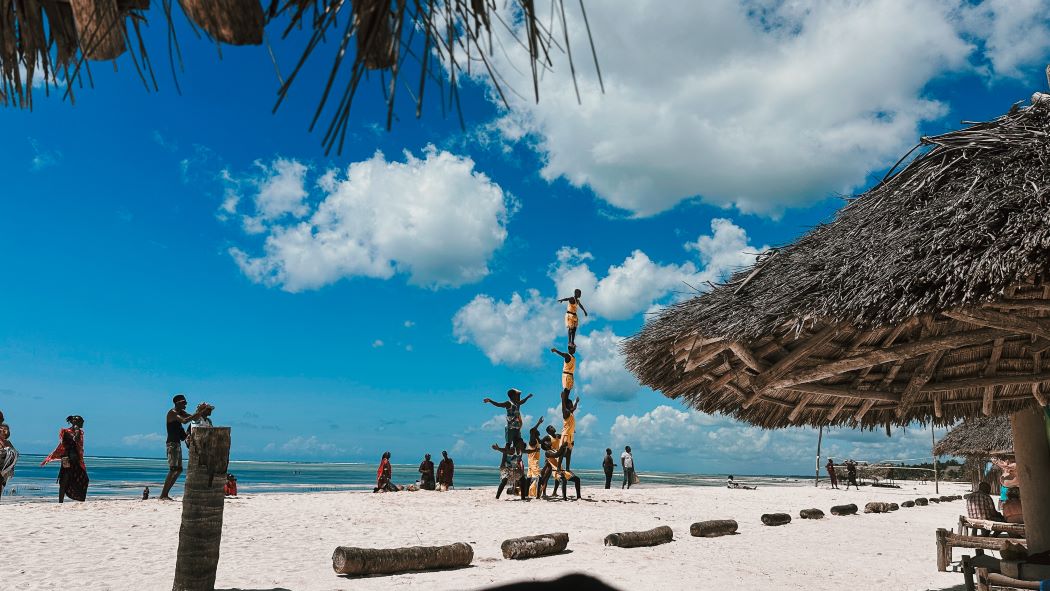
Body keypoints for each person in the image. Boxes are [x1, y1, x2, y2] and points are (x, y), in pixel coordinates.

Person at [161, 394, 206, 500]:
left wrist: (200, 411)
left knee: (179, 469)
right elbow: (185, 421)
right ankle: (163, 494)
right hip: (172, 444)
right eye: (183, 402)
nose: (186, 404)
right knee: (173, 469)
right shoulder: (173, 413)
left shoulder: (181, 412)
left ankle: (165, 494)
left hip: (177, 443)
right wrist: (198, 411)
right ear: (177, 403)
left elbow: (194, 418)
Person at [41, 415, 89, 502]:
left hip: (76, 459)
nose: (82, 423)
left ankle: (81, 499)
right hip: (67, 458)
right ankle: (60, 501)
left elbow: (78, 444)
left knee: (84, 479)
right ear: (74, 422)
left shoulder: (80, 432)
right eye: (81, 421)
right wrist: (77, 430)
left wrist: (78, 431)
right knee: (64, 480)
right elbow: (74, 440)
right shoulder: (66, 432)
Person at [483, 389, 534, 466]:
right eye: (517, 395)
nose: (518, 396)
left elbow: (522, 402)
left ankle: (516, 461)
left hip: (517, 427)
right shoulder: (508, 403)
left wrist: (527, 397)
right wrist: (490, 400)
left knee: (519, 443)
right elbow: (498, 404)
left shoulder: (517, 403)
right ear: (513, 396)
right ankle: (503, 463)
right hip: (510, 428)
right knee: (508, 445)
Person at [0, 422, 17, 502]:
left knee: (2, 484)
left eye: (5, 429)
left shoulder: (8, 442)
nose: (3, 430)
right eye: (2, 428)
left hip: (5, 470)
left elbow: (14, 454)